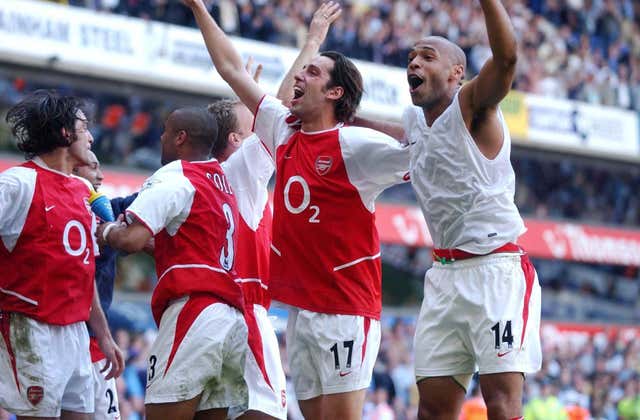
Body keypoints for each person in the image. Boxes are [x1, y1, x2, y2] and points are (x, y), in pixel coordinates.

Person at [184, 1, 410, 419]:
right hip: (302, 313)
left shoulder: (355, 147)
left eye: (312, 72)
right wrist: (199, 8)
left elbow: (418, 152)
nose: (298, 76)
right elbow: (231, 70)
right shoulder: (282, 129)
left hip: (347, 310)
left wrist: (374, 123)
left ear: (335, 93)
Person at [356, 1, 542, 418]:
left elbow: (508, 58)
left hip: (496, 271)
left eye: (427, 56)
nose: (414, 63)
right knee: (433, 411)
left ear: (457, 73)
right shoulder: (416, 122)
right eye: (410, 58)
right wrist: (343, 118)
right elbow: (399, 135)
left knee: (501, 405)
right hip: (443, 277)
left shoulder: (474, 107)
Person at [96, 107, 247, 420]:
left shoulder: (176, 176)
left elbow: (131, 240)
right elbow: (187, 249)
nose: (161, 137)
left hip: (194, 312)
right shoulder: (220, 181)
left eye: (165, 131)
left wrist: (105, 230)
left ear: (181, 138)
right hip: (231, 317)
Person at [0, 90, 123, 419]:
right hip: (31, 328)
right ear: (65, 133)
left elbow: (85, 275)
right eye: (85, 129)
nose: (92, 138)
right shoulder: (18, 183)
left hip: (77, 333)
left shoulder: (84, 191)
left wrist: (105, 336)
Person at [73, 150, 138, 420]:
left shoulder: (109, 210)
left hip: (96, 341)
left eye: (101, 167)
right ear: (73, 171)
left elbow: (148, 196)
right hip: (64, 335)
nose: (100, 175)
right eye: (92, 167)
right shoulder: (57, 216)